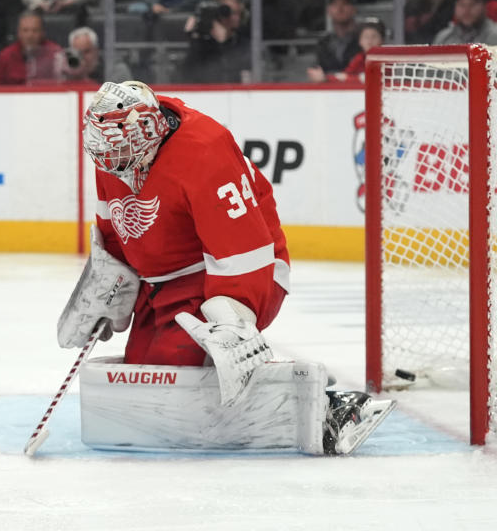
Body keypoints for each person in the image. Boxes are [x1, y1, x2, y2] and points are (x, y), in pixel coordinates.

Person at [58, 80, 395, 455]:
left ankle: (325, 408)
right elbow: (114, 228)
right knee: (146, 376)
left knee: (180, 373)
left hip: (226, 274)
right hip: (163, 285)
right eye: (102, 149)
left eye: (116, 149)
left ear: (149, 130)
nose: (108, 161)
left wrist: (232, 323)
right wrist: (107, 289)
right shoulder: (118, 144)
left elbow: (244, 248)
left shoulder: (204, 150)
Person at [182, 0, 251, 84]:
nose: (236, 18)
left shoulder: (242, 42)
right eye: (230, 13)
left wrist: (224, 42)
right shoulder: (202, 44)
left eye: (239, 13)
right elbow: (187, 75)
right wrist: (193, 37)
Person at [0, 10, 63, 85]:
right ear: (18, 33)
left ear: (43, 33)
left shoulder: (54, 53)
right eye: (25, 30)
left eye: (35, 30)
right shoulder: (6, 56)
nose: (29, 36)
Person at [308, 16, 384, 83]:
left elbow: (375, 79)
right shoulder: (359, 58)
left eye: (374, 36)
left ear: (382, 40)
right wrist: (325, 78)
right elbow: (345, 75)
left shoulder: (386, 59)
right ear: (360, 41)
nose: (369, 41)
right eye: (366, 37)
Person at [308, 0, 360, 77]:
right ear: (328, 10)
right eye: (335, 4)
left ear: (354, 9)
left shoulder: (364, 40)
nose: (340, 8)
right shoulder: (323, 43)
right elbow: (314, 72)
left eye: (345, 4)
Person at [62, 26, 132, 84]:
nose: (82, 57)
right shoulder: (67, 70)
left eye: (86, 52)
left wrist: (83, 76)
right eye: (77, 53)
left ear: (96, 51)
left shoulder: (116, 69)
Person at [433, 0, 497, 45]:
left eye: (472, 4)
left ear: (484, 7)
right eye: (462, 4)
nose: (467, 9)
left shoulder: (494, 35)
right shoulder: (443, 37)